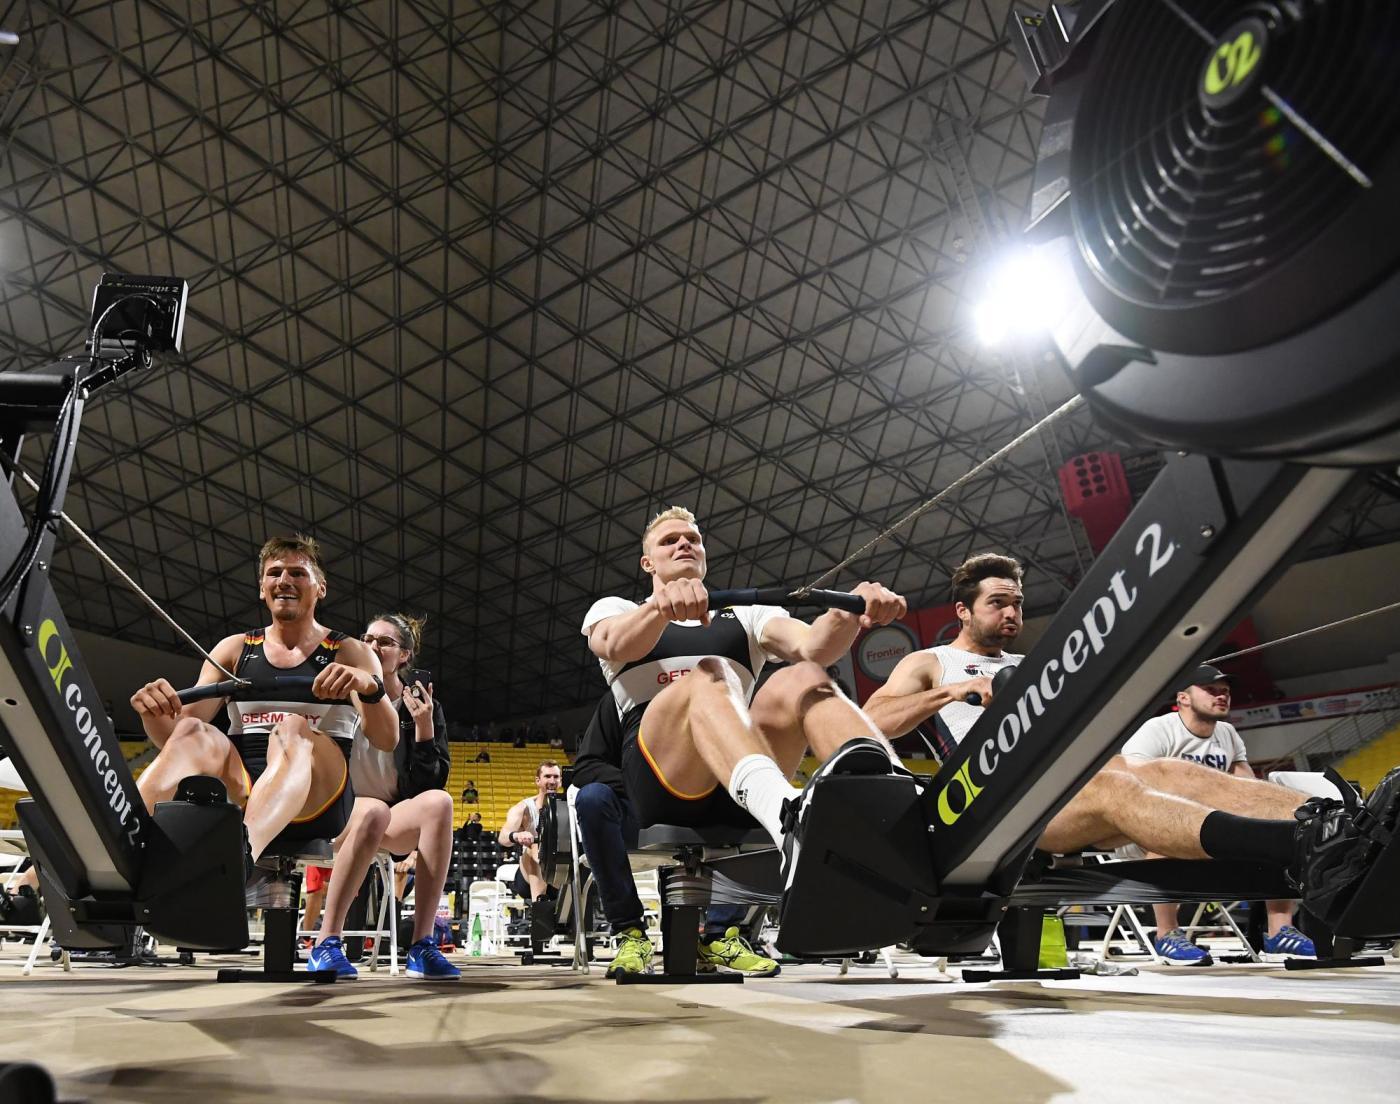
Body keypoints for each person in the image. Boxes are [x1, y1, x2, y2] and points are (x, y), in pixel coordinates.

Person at [863, 552, 1393, 924]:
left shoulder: (1033, 667)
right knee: (1114, 787)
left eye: (1018, 603)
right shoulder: (931, 662)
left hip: (1066, 787)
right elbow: (871, 723)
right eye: (998, 603)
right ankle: (1305, 851)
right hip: (994, 809)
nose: (1012, 614)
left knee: (1171, 771)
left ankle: (1349, 826)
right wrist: (953, 692)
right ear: (963, 610)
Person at [580, 505, 907, 975]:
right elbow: (613, 644)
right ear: (648, 563)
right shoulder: (617, 610)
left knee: (804, 678)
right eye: (670, 540)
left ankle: (901, 821)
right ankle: (787, 818)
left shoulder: (747, 615)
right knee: (709, 672)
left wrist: (847, 614)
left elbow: (812, 646)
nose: (684, 543)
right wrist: (659, 606)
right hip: (661, 780)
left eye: (693, 538)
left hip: (737, 781)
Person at [130, 534, 398, 980]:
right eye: (275, 573)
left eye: (297, 573)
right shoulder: (235, 649)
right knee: (195, 730)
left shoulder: (350, 651)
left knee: (291, 727)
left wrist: (369, 688)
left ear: (320, 587)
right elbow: (176, 740)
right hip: (250, 790)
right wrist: (152, 714)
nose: (284, 580)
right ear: (261, 587)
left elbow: (386, 738)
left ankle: (238, 863)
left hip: (320, 796)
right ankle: (127, 851)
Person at [1121, 667, 1316, 964]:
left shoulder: (1227, 733)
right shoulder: (1157, 730)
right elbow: (1131, 782)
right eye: (1211, 690)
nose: (1221, 695)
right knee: (1166, 831)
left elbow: (1248, 786)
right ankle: (1166, 933)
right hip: (1143, 829)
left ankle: (1279, 932)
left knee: (1274, 833)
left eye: (1225, 690)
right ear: (1183, 698)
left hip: (1208, 829)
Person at [351, 611, 458, 979]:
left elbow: (430, 786)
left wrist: (424, 730)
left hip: (389, 818)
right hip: (341, 813)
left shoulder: (422, 707)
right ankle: (327, 941)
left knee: (440, 803)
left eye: (384, 642)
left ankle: (422, 944)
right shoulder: (341, 693)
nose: (372, 646)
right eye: (367, 639)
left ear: (404, 655)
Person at [498, 761, 563, 901]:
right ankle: (538, 906)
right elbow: (503, 838)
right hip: (528, 879)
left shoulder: (567, 808)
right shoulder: (523, 808)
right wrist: (517, 835)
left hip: (558, 875)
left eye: (556, 777)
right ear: (538, 780)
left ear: (561, 781)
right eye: (547, 776)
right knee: (535, 846)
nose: (552, 781)